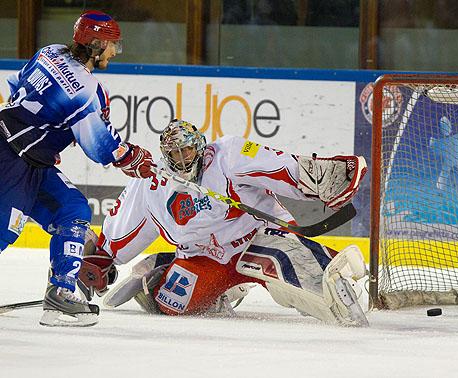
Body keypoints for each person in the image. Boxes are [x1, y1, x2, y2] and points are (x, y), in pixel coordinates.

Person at [79, 119, 370, 326]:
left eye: (187, 150)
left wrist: (324, 177)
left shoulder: (228, 154)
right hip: (206, 258)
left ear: (199, 146)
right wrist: (103, 258)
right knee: (174, 304)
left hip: (257, 237)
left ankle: (329, 281)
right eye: (175, 154)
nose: (182, 159)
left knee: (286, 268)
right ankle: (168, 268)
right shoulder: (151, 184)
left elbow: (281, 167)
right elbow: (123, 228)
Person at [0, 10, 155, 327]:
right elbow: (101, 147)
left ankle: (60, 296)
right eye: (112, 45)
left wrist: (40, 136)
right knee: (4, 229)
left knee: (72, 209)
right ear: (97, 44)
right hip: (12, 158)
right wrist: (133, 157)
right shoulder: (87, 90)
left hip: (27, 155)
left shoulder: (50, 51)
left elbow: (17, 87)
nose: (114, 52)